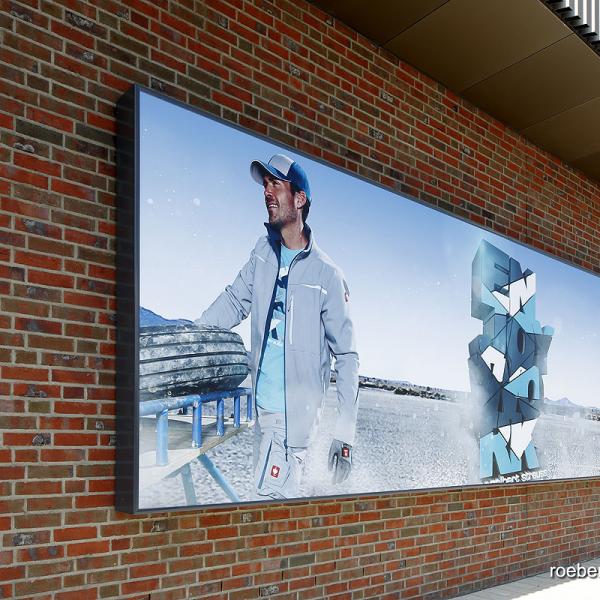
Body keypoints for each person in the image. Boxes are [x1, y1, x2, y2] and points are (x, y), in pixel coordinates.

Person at [197, 153, 359, 500]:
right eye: (265, 184)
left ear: (299, 199)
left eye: (276, 184)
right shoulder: (263, 252)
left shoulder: (327, 275)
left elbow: (346, 356)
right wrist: (194, 337)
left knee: (265, 513)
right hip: (263, 414)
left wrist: (344, 435)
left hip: (290, 425)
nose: (267, 191)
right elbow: (234, 301)